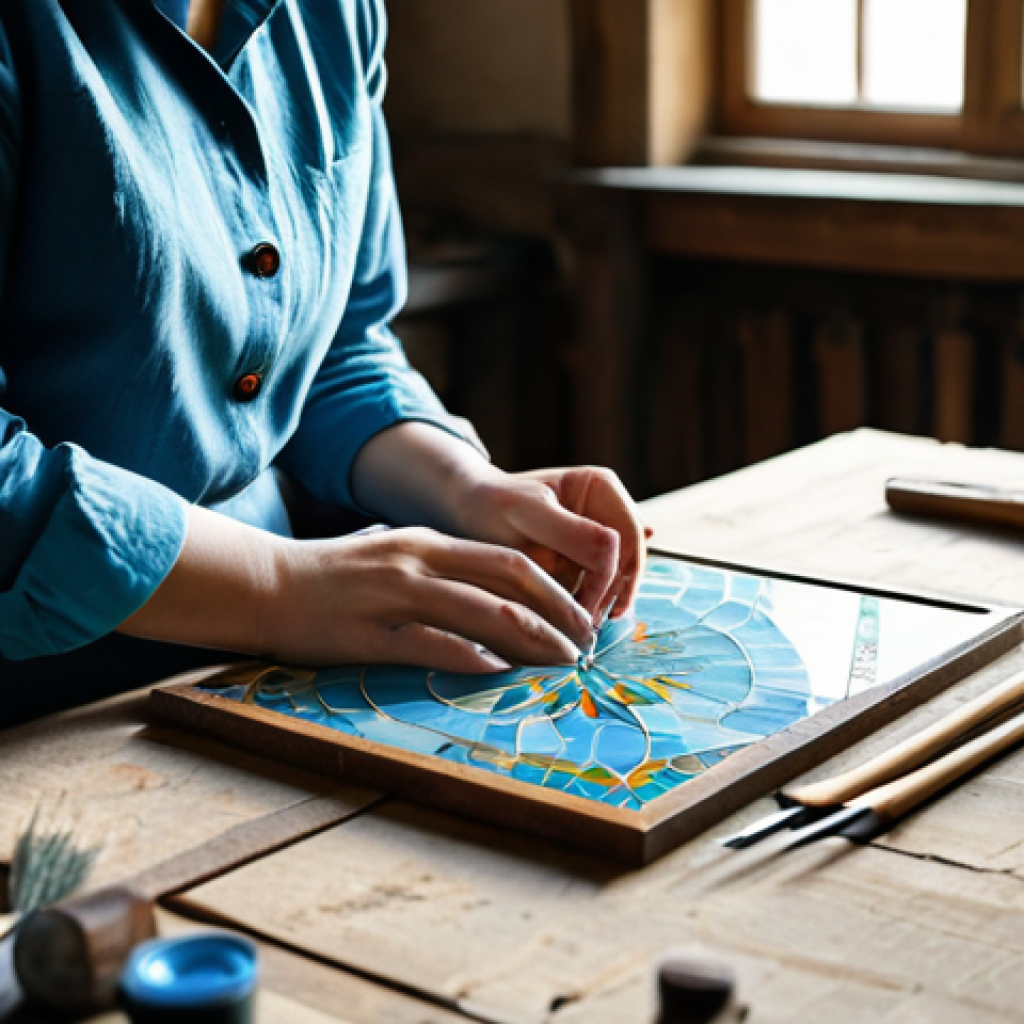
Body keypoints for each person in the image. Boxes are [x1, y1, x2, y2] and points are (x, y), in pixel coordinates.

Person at [0, 0, 646, 727]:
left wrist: (468, 488)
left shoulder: (336, 14)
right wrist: (277, 587)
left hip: (258, 673)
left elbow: (340, 351)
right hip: (40, 711)